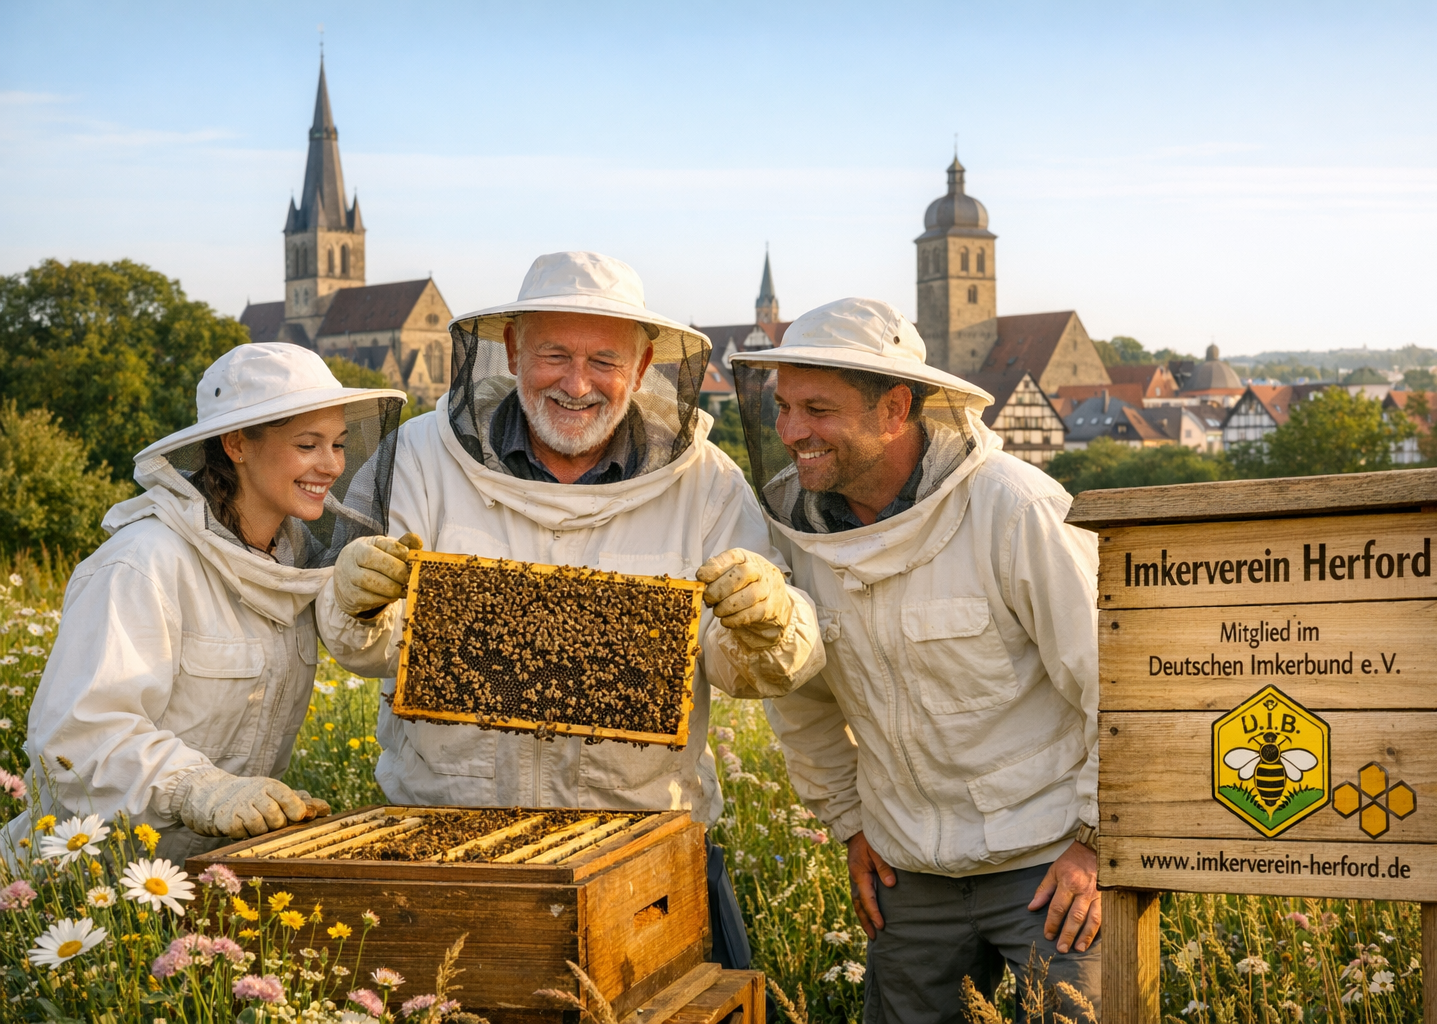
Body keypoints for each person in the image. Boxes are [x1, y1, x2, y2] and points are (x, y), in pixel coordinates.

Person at [316, 251, 825, 969]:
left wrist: (769, 620)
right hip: (448, 841)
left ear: (643, 366)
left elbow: (745, 669)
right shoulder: (422, 456)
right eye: (554, 354)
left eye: (603, 361)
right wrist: (355, 603)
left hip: (640, 845)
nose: (577, 384)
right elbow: (367, 648)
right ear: (514, 350)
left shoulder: (706, 483)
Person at [727, 297, 1102, 1022]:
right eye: (783, 408)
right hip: (908, 875)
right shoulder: (802, 539)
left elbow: (1115, 688)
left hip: (1050, 863)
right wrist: (850, 824)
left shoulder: (1014, 510)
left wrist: (1096, 843)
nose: (792, 431)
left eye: (818, 409)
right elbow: (800, 697)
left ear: (896, 407)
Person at [2, 343, 407, 866]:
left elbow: (365, 649)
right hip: (80, 890)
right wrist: (199, 789)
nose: (330, 465)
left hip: (200, 886)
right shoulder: (142, 563)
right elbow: (77, 738)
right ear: (238, 443)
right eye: (308, 444)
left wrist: (362, 602)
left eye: (338, 444)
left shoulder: (294, 558)